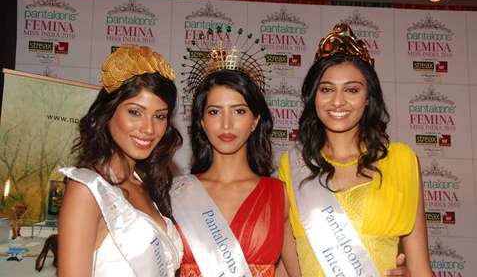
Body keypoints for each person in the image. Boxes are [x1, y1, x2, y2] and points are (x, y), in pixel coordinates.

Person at [278, 24, 432, 276]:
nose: (338, 101)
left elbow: (420, 268)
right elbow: (288, 263)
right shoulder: (294, 165)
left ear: (368, 97)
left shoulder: (402, 161)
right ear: (313, 97)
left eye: (352, 90)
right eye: (327, 89)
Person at [171, 27, 301, 277]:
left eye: (239, 111)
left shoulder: (280, 196)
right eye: (215, 111)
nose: (226, 124)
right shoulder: (175, 192)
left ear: (255, 121)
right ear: (202, 122)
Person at [57, 45, 183, 277]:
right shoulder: (87, 189)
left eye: (159, 116)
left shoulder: (145, 184)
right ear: (109, 111)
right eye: (135, 112)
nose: (148, 128)